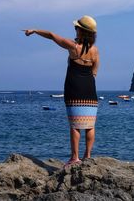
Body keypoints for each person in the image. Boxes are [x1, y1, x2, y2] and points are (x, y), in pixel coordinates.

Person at [23, 15, 100, 167]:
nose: (75, 29)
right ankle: (88, 156)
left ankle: (75, 157)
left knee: (75, 125)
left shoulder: (73, 46)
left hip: (74, 88)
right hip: (90, 88)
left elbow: (52, 35)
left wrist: (34, 30)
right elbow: (94, 72)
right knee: (90, 125)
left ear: (81, 31)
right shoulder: (95, 51)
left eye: (76, 28)